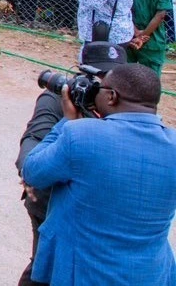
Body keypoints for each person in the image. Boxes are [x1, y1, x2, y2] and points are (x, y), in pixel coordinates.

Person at [22, 63, 176, 285]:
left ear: (112, 97)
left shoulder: (81, 134)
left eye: (100, 88)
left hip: (82, 274)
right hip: (152, 274)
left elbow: (33, 171)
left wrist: (67, 121)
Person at [14, 41, 127, 286]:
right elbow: (34, 138)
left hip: (92, 199)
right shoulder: (57, 98)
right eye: (102, 78)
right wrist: (28, 170)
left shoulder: (121, 103)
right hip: (50, 197)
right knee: (45, 266)